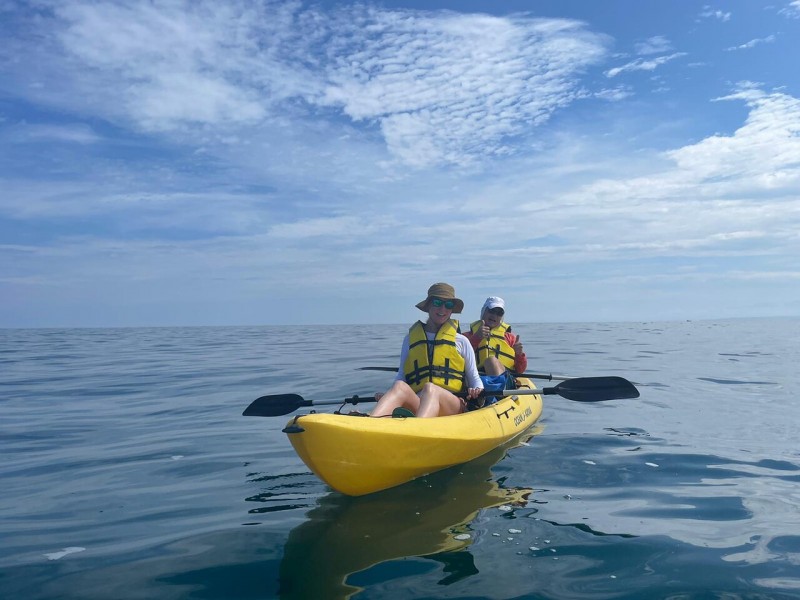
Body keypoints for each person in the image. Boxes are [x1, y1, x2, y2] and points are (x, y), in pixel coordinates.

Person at [371, 283, 484, 418]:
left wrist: (476, 390)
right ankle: (370, 423)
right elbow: (402, 375)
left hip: (452, 405)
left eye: (448, 305)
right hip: (418, 403)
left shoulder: (461, 341)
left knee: (430, 388)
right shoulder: (410, 339)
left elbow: (475, 378)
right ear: (429, 305)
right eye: (437, 302)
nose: (443, 309)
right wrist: (388, 395)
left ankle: (418, 430)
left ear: (452, 310)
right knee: (399, 386)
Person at [463, 296, 527, 405]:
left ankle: (496, 399)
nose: (494, 315)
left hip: (505, 381)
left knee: (491, 361)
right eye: (491, 311)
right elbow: (459, 360)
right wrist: (477, 337)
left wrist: (519, 355)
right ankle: (479, 400)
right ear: (483, 312)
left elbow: (520, 370)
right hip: (477, 380)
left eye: (499, 313)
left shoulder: (510, 338)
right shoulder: (465, 337)